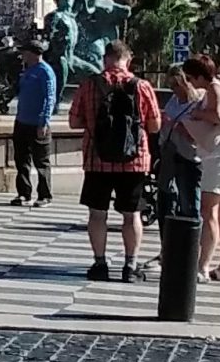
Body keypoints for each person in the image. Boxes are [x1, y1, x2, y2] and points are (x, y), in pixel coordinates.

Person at [68, 40, 162, 282]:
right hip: (134, 161)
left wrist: (95, 124)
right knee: (131, 214)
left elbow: (73, 122)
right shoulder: (142, 86)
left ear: (105, 58)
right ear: (127, 60)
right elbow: (154, 125)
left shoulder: (90, 85)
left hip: (97, 158)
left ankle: (100, 263)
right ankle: (130, 266)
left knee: (97, 213)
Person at [179, 54, 220, 281]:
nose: (189, 82)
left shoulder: (215, 87)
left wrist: (196, 113)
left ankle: (203, 265)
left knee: (209, 211)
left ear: (198, 75)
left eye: (189, 77)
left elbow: (218, 116)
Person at [10, 37, 56, 207]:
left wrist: (43, 121)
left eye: (25, 53)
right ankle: (23, 193)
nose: (22, 56)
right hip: (22, 121)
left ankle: (45, 195)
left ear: (33, 54)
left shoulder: (45, 72)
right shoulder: (26, 70)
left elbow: (49, 98)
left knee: (41, 161)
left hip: (37, 123)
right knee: (21, 159)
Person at [156, 63, 203, 227]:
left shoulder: (198, 102)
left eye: (177, 84)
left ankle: (192, 244)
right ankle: (170, 245)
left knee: (188, 203)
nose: (174, 89)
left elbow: (198, 136)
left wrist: (176, 124)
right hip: (170, 153)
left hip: (189, 156)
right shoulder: (174, 101)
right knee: (167, 198)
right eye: (170, 85)